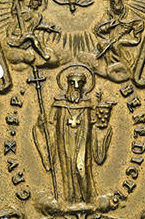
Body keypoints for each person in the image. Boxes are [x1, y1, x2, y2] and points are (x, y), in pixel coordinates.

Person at [33, 65, 114, 207]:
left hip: (83, 141)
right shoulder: (58, 103)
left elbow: (96, 125)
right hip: (64, 141)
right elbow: (49, 124)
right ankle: (70, 199)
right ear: (68, 84)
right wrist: (42, 123)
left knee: (81, 166)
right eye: (73, 83)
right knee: (67, 168)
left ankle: (86, 198)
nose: (76, 86)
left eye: (79, 83)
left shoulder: (88, 104)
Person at [94, 0, 145, 81]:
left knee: (116, 45)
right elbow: (99, 29)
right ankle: (110, 66)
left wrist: (136, 35)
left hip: (125, 38)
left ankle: (123, 66)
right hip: (111, 39)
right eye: (113, 1)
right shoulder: (109, 14)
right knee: (102, 45)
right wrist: (109, 26)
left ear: (121, 0)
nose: (115, 3)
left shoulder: (129, 13)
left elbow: (138, 23)